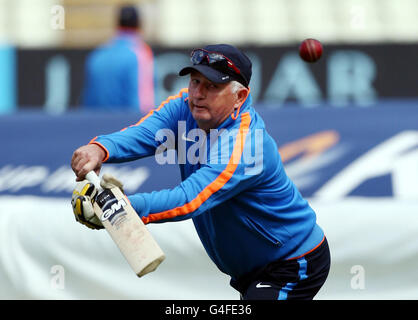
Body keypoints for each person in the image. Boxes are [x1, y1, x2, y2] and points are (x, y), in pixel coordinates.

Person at [71, 44, 330, 300]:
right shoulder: (184, 106)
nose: (198, 93)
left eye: (212, 86)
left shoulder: (246, 143)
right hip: (252, 269)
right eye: (195, 81)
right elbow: (146, 133)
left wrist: (122, 208)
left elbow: (190, 198)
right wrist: (100, 148)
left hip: (292, 263)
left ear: (239, 97)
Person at [81, 5, 155, 114]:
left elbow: (89, 103)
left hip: (98, 127)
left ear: (117, 24)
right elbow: (144, 106)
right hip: (127, 127)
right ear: (139, 24)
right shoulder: (140, 53)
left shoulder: (97, 55)